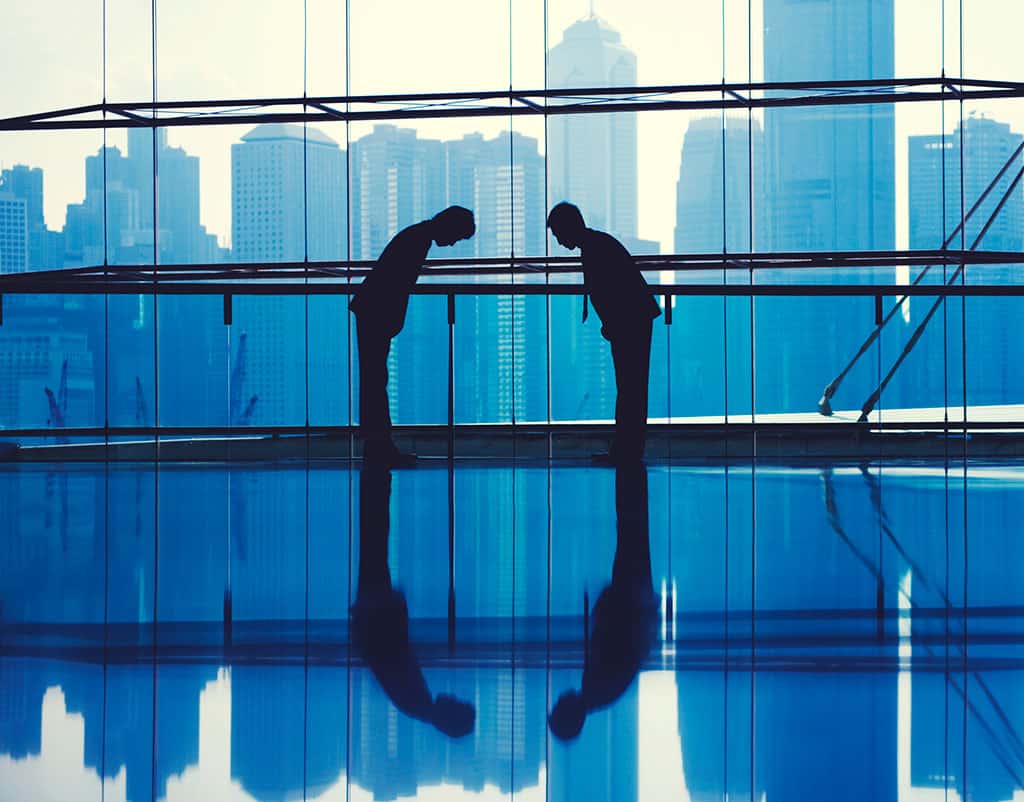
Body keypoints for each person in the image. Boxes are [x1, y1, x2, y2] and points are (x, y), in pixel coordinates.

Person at [350, 464, 476, 738]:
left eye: (457, 703)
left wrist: (391, 611)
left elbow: (389, 653)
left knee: (375, 537)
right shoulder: (416, 703)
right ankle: (375, 481)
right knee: (375, 538)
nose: (454, 696)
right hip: (374, 609)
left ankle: (376, 478)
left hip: (376, 608)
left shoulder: (416, 700)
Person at [350, 206, 475, 467]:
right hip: (375, 312)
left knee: (374, 380)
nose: (451, 243)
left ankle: (377, 445)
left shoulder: (417, 236)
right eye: (455, 236)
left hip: (371, 310)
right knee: (375, 380)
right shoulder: (417, 240)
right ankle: (379, 446)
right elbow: (397, 283)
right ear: (448, 225)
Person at [548, 464, 658, 740]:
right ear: (567, 712)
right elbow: (614, 644)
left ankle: (632, 476)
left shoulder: (597, 693)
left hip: (634, 602)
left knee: (632, 533)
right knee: (631, 531)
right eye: (559, 705)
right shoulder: (596, 688)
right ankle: (631, 471)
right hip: (631, 602)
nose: (559, 698)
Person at [547, 202, 660, 464]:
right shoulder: (597, 244)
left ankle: (626, 449)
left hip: (630, 323)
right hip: (635, 320)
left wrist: (612, 323)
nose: (558, 240)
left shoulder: (594, 249)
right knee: (632, 387)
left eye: (557, 234)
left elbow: (610, 291)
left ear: (568, 228)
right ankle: (628, 448)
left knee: (630, 387)